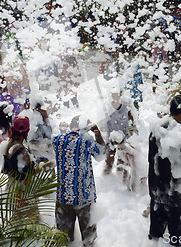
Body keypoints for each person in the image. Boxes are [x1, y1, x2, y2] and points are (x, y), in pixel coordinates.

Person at [148, 95, 181, 247]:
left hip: (157, 189)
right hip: (178, 193)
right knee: (176, 235)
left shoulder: (157, 130)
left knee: (156, 230)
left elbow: (152, 159)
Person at [53, 116, 105, 247]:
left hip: (63, 197)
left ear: (71, 126)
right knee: (89, 240)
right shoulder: (86, 141)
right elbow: (101, 154)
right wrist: (97, 133)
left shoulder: (59, 140)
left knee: (64, 239)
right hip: (84, 198)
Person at [104, 88, 134, 174]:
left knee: (122, 160)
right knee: (109, 159)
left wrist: (132, 128)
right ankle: (106, 178)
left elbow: (131, 117)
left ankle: (120, 179)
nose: (114, 97)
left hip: (124, 135)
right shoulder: (107, 105)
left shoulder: (126, 104)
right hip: (110, 135)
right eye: (113, 94)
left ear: (120, 94)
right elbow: (103, 122)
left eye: (117, 94)